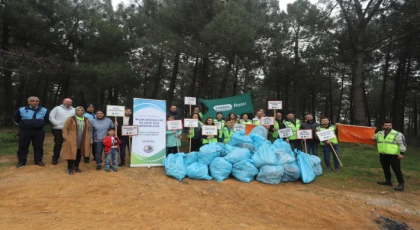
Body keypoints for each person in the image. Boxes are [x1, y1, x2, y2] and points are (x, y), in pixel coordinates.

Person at [14, 96, 49, 168]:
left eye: (37, 101)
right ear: (28, 102)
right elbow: (16, 119)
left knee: (38, 146)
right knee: (23, 146)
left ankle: (38, 160)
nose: (35, 102)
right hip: (25, 131)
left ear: (38, 102)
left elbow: (46, 120)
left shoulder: (44, 110)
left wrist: (39, 124)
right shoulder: (21, 109)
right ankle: (22, 161)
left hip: (39, 131)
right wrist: (25, 124)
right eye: (32, 101)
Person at [374, 120, 406, 191]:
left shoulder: (397, 134)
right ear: (383, 126)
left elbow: (402, 144)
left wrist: (402, 153)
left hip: (394, 155)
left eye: (389, 125)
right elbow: (371, 137)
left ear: (391, 126)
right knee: (385, 168)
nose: (388, 127)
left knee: (396, 169)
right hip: (383, 154)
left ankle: (401, 184)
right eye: (386, 125)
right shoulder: (379, 133)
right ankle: (388, 181)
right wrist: (371, 130)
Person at [61, 106, 91, 175]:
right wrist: (66, 137)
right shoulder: (71, 119)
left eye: (81, 110)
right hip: (72, 139)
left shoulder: (86, 119)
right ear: (76, 111)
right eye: (78, 110)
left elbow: (88, 130)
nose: (80, 112)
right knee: (71, 153)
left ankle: (76, 167)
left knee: (79, 153)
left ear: (83, 112)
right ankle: (70, 168)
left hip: (82, 139)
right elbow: (65, 129)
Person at [49, 98, 75, 165]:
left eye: (70, 102)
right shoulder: (57, 108)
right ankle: (55, 158)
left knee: (69, 144)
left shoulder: (74, 110)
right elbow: (51, 117)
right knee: (58, 144)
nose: (68, 102)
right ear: (63, 101)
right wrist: (56, 123)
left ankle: (69, 157)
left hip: (70, 130)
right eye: (67, 101)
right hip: (58, 129)